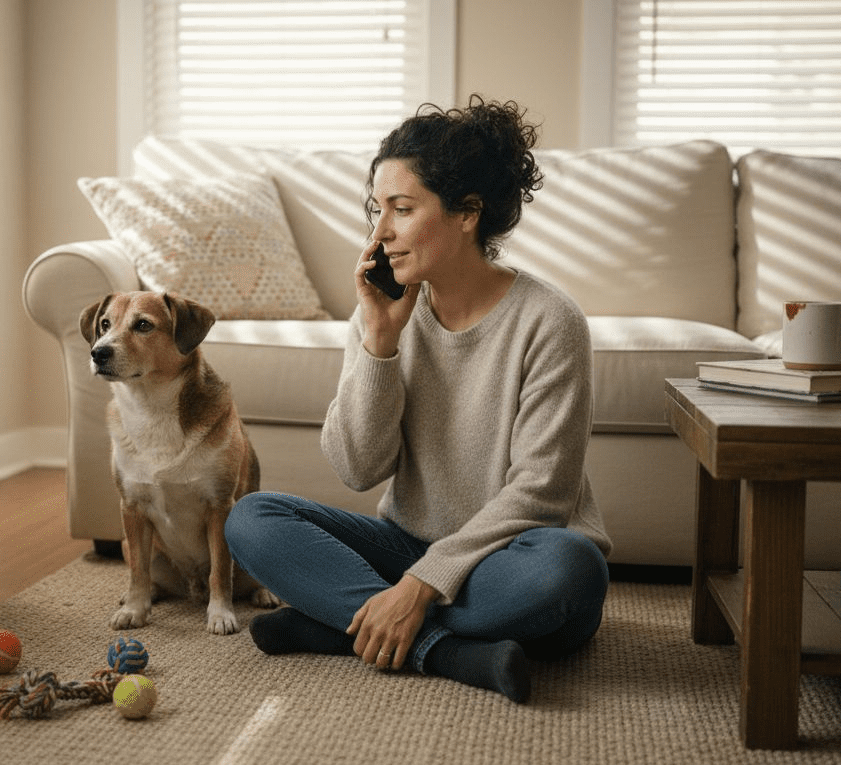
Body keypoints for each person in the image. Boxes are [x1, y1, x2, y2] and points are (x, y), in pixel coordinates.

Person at [224, 96, 613, 703]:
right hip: (406, 543)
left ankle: (340, 623)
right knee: (252, 518)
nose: (380, 234)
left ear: (467, 213)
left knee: (569, 569)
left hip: (510, 556)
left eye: (402, 210)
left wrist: (419, 587)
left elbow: (542, 494)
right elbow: (356, 468)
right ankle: (449, 652)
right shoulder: (383, 312)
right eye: (378, 211)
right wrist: (380, 342)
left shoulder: (549, 320)